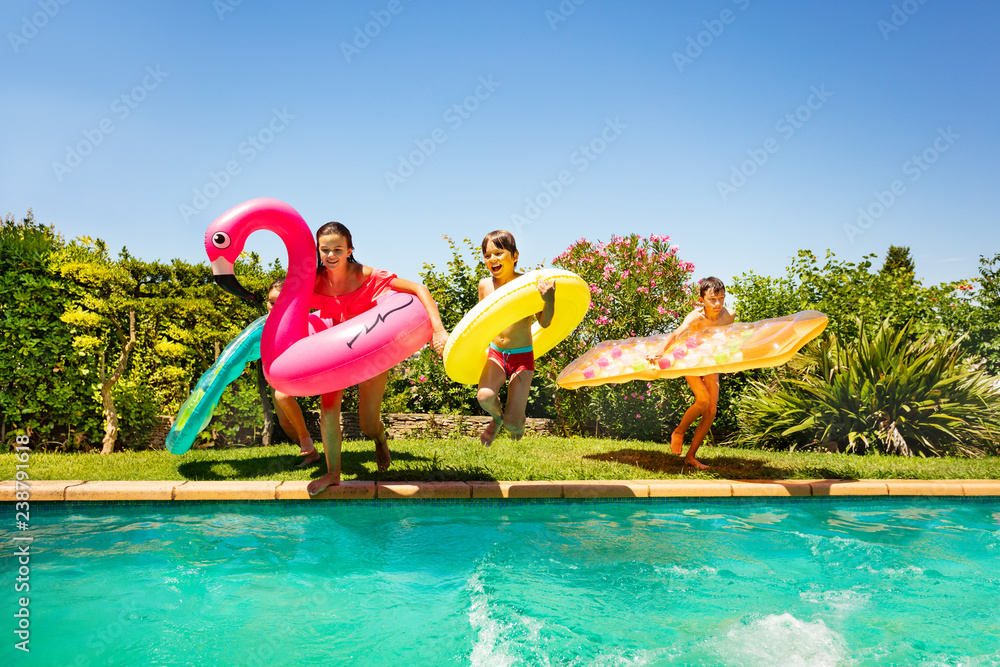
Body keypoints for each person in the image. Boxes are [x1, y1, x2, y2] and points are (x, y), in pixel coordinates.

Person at [306, 222, 449, 495]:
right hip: (333, 353)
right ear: (318, 251)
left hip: (368, 352)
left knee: (367, 424)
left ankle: (380, 438)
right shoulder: (313, 281)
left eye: (338, 248)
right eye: (325, 250)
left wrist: (439, 331)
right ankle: (332, 474)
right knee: (328, 411)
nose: (331, 255)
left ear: (350, 250)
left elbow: (419, 289)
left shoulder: (369, 276)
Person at [476, 230, 555, 446]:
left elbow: (545, 323)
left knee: (514, 426)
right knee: (484, 397)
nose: (492, 259)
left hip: (521, 358)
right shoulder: (485, 286)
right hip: (496, 353)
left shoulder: (528, 285)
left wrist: (548, 301)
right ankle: (497, 418)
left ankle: (512, 421)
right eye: (487, 255)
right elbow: (479, 322)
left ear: (515, 256)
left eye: (499, 253)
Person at [647, 276, 734, 470]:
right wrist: (659, 351)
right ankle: (678, 432)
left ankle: (691, 456)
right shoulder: (696, 317)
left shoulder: (729, 315)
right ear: (701, 299)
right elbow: (676, 333)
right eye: (712, 299)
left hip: (710, 360)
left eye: (721, 298)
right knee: (703, 401)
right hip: (690, 358)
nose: (718, 303)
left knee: (711, 410)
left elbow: (729, 338)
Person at [265, 277, 320, 468]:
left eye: (280, 303)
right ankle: (311, 454)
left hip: (304, 369)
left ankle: (305, 439)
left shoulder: (301, 320)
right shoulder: (265, 326)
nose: (274, 307)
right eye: (271, 302)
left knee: (282, 395)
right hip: (279, 375)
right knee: (285, 423)